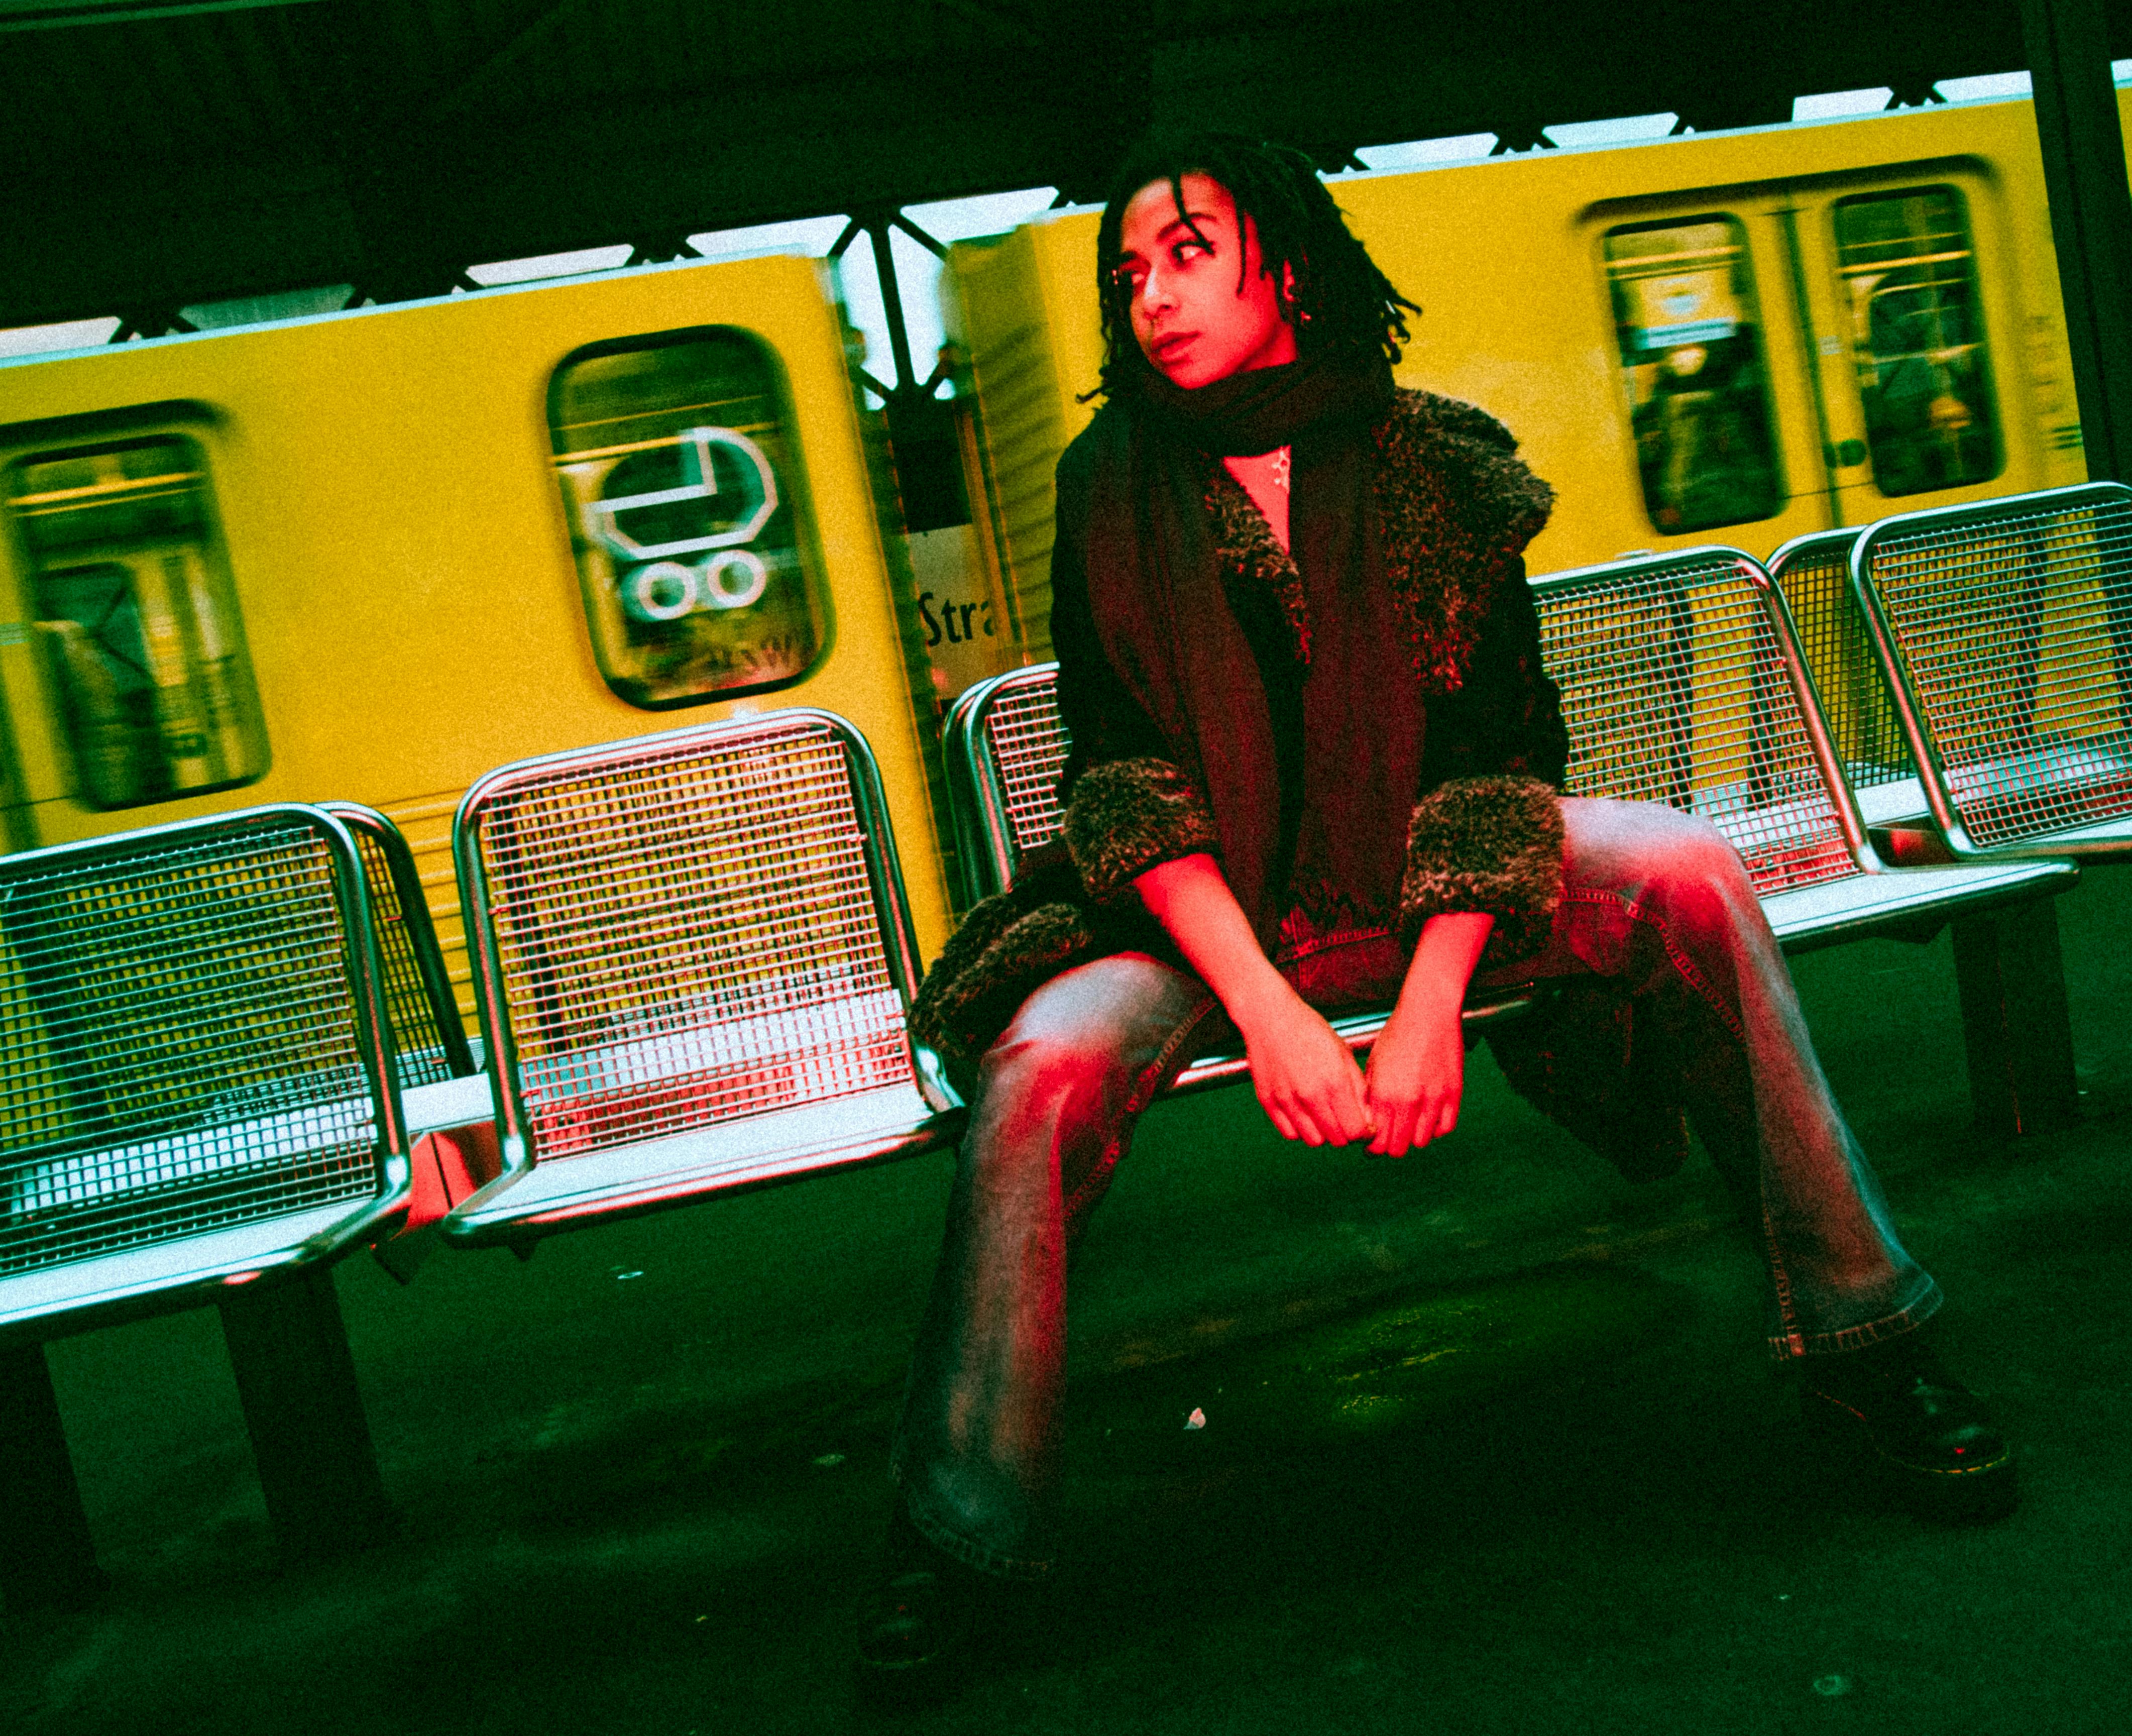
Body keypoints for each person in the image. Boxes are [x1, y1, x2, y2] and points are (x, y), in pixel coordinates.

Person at [859, 132, 2012, 1690]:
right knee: (1041, 1069)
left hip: (1425, 881)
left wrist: (1425, 1008)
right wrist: (1269, 1010)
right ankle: (964, 1533)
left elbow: (1496, 758)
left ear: (1288, 260)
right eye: (1128, 272)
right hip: (1204, 914)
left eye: (1188, 253)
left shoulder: (1436, 461)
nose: (1151, 298)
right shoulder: (1109, 485)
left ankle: (1869, 1349)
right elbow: (1126, 774)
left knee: (1685, 871)